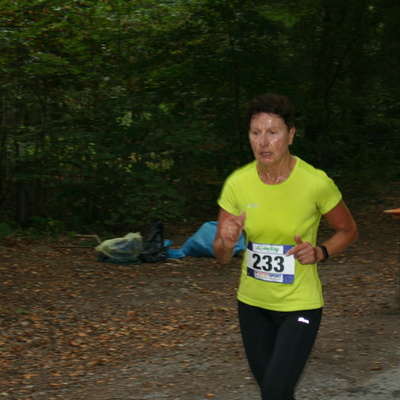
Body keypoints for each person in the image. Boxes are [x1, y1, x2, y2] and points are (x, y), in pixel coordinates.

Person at [213, 93, 358, 400]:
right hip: (252, 305)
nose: (263, 142)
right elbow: (221, 255)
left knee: (275, 391)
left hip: (299, 306)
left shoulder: (315, 182)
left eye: (273, 132)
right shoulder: (237, 183)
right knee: (275, 392)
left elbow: (348, 230)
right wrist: (225, 242)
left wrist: (320, 252)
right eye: (256, 133)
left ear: (290, 135)